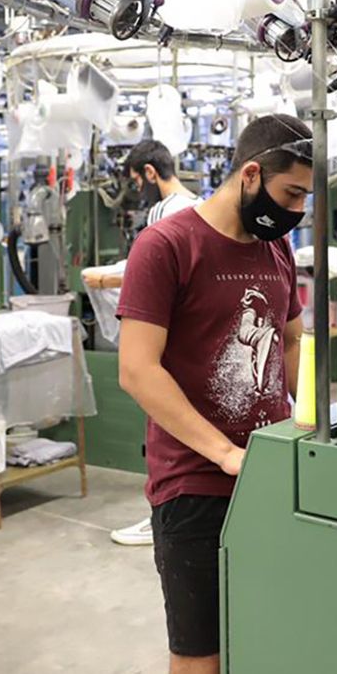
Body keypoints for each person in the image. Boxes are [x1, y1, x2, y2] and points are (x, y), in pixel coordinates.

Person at [116, 114, 311, 674]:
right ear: (251, 175)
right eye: (290, 193)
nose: (297, 209)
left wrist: (320, 421)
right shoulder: (167, 245)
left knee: (265, 635)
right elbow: (138, 370)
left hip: (269, 472)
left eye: (305, 197)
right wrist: (224, 453)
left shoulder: (276, 248)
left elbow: (289, 341)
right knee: (201, 654)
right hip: (195, 484)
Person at [110, 139, 203, 546]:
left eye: (137, 182)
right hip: (192, 338)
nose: (138, 191)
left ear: (150, 173)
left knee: (165, 428)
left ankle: (161, 512)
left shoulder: (164, 213)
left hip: (167, 336)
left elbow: (149, 279)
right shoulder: (198, 206)